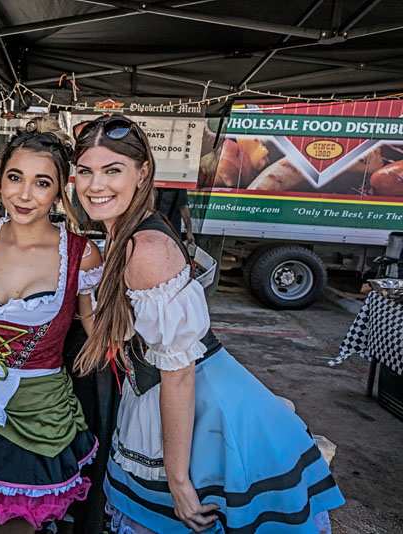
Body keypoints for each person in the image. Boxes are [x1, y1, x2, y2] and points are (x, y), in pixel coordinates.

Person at [71, 115, 345, 533]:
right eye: (86, 171)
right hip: (170, 397)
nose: (96, 185)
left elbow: (178, 374)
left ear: (143, 174)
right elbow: (117, 340)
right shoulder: (123, 235)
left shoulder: (147, 250)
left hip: (202, 406)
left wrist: (179, 480)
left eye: (113, 171)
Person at [0, 119, 103, 534]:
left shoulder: (80, 256)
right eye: (15, 178)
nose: (25, 194)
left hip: (37, 406)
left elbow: (96, 330)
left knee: (15, 522)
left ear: (60, 189)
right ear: (0, 183)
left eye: (41, 182)